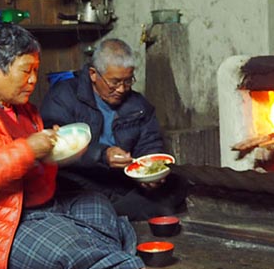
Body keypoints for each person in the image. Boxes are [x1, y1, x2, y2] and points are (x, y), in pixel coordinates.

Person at [0, 23, 146, 269]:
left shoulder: (25, 111)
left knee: (97, 205)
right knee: (62, 242)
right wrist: (28, 149)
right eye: (25, 71)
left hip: (33, 210)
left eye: (35, 71)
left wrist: (57, 151)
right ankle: (106, 256)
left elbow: (35, 170)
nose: (32, 80)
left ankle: (95, 254)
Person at [41, 38, 189, 221]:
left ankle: (109, 214)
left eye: (128, 81)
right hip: (80, 180)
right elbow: (55, 146)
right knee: (70, 190)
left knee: (178, 183)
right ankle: (112, 212)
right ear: (93, 74)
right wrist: (102, 155)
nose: (121, 89)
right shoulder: (63, 96)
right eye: (114, 82)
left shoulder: (139, 105)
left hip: (122, 180)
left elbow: (150, 144)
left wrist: (151, 174)